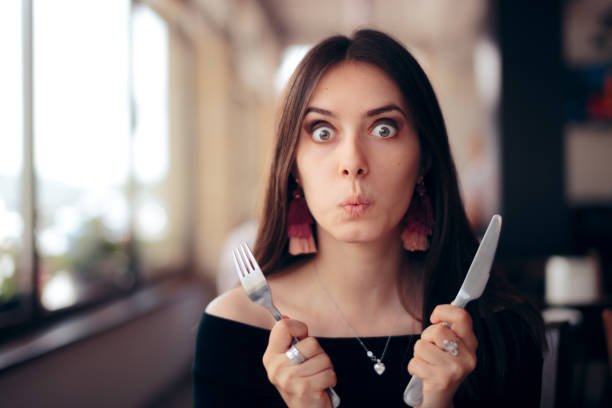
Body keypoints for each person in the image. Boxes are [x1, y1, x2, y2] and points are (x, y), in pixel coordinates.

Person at [194, 29, 544, 407]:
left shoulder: (499, 326)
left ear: (424, 156)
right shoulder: (233, 327)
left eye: (384, 129)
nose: (353, 163)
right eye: (323, 131)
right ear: (293, 165)